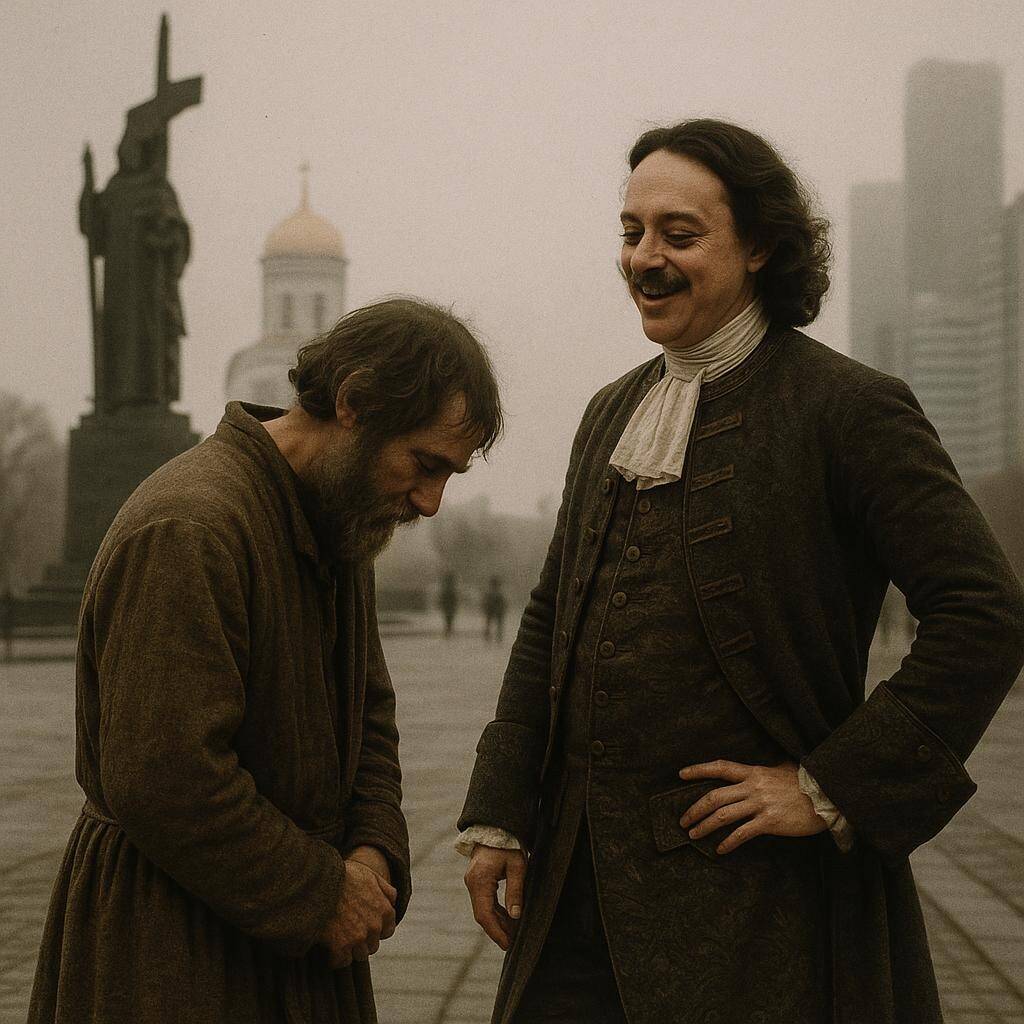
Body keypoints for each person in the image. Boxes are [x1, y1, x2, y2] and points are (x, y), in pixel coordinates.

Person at [457, 120, 1024, 1024]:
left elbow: (984, 612)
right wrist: (501, 814)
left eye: (679, 234)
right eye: (632, 231)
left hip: (761, 910)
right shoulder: (610, 412)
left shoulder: (851, 409)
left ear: (759, 245)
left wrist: (830, 786)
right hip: (573, 898)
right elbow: (549, 618)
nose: (645, 257)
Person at [29, 297, 502, 1024]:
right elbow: (163, 777)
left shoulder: (341, 518)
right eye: (424, 463)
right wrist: (321, 892)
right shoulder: (190, 526)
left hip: (300, 937)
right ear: (353, 404)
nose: (432, 501)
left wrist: (372, 852)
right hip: (171, 942)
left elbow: (369, 716)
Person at [482, 576, 508, 643]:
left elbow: (485, 602)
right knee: (495, 624)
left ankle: (490, 637)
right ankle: (496, 637)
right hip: (495, 611)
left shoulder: (490, 593)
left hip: (493, 610)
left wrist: (486, 608)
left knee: (490, 624)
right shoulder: (499, 593)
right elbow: (503, 603)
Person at [439, 571, 460, 637]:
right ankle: (449, 630)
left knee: (447, 618)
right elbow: (455, 599)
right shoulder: (452, 589)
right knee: (449, 619)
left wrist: (442, 604)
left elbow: (442, 598)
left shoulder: (445, 588)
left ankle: (448, 630)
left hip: (447, 606)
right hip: (450, 606)